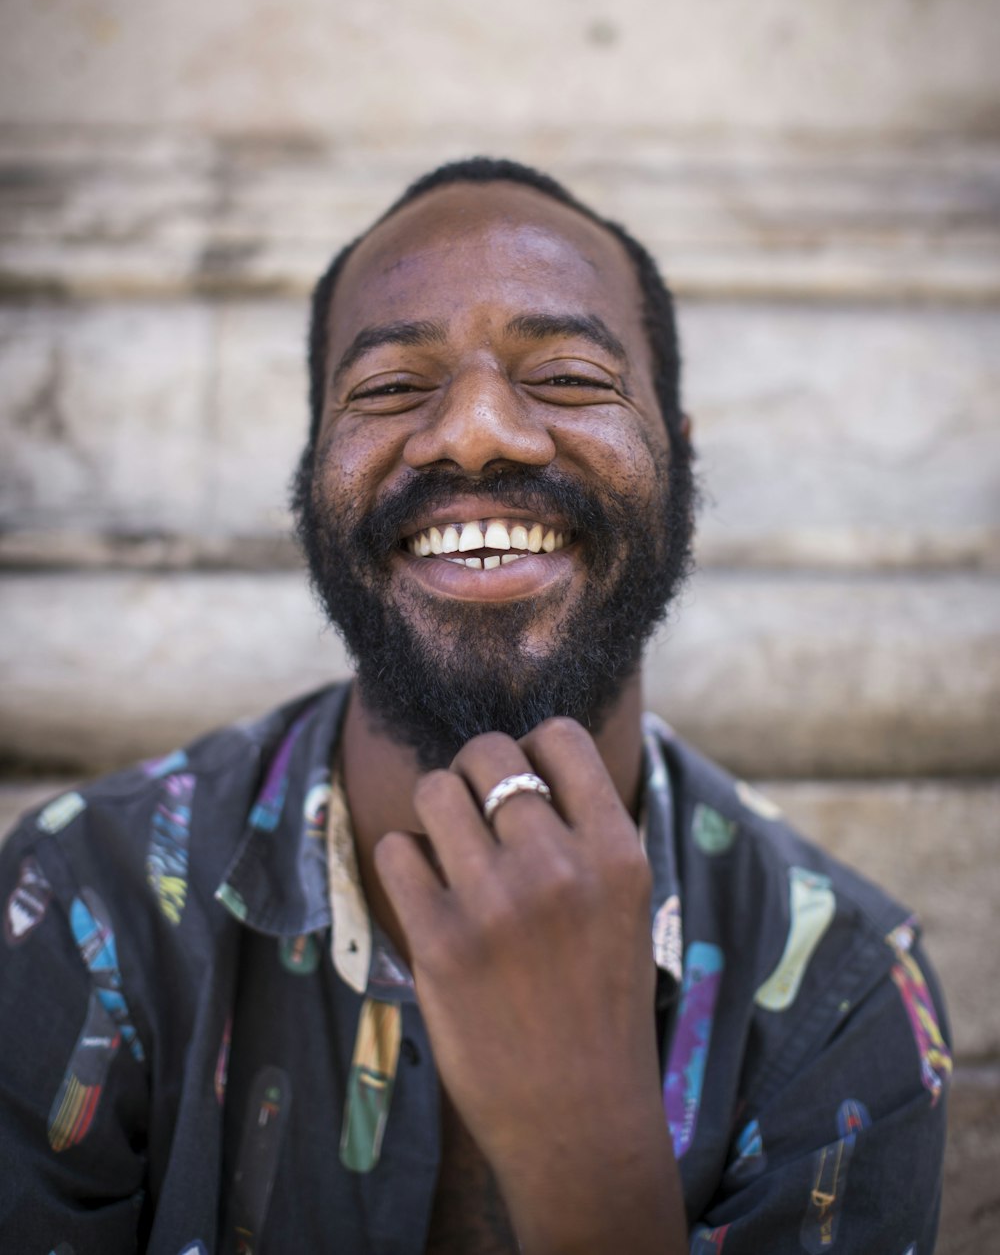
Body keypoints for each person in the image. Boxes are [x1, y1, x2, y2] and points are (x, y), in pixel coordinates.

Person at [0, 158, 951, 1254]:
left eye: (570, 376)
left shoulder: (838, 996)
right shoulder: (84, 912)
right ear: (315, 472)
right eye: (392, 386)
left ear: (679, 463)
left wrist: (588, 1154)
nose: (477, 431)